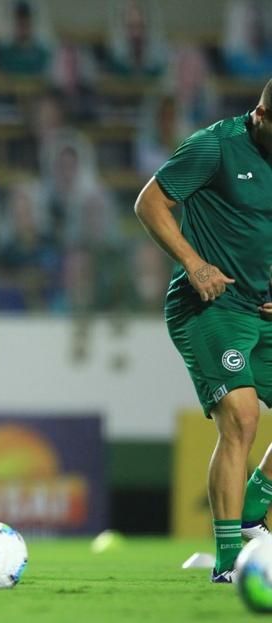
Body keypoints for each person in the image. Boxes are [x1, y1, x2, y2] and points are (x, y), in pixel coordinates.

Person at [134, 78, 272, 583]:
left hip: (263, 307)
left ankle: (255, 504)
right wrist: (194, 263)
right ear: (261, 116)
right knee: (241, 415)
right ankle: (229, 562)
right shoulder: (214, 146)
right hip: (210, 304)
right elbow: (150, 202)